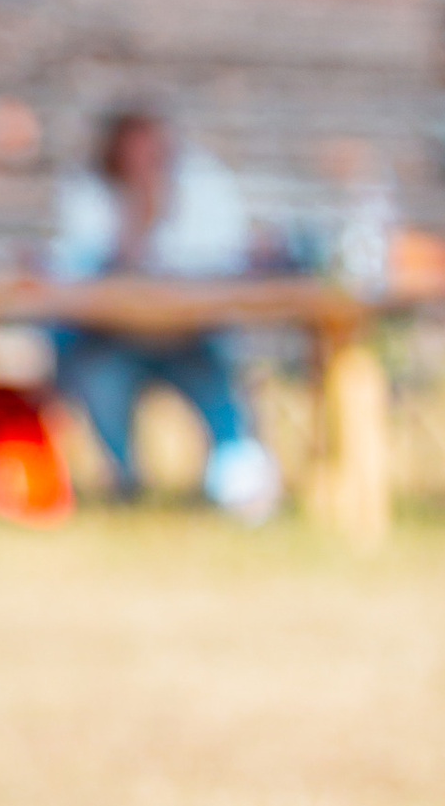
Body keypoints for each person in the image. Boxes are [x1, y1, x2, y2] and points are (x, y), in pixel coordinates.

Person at [50, 108, 282, 520]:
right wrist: (139, 216)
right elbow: (80, 272)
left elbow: (226, 262)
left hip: (190, 336)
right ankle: (126, 485)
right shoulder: (87, 192)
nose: (144, 158)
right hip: (114, 338)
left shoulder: (203, 184)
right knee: (98, 381)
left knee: (223, 393)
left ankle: (240, 489)